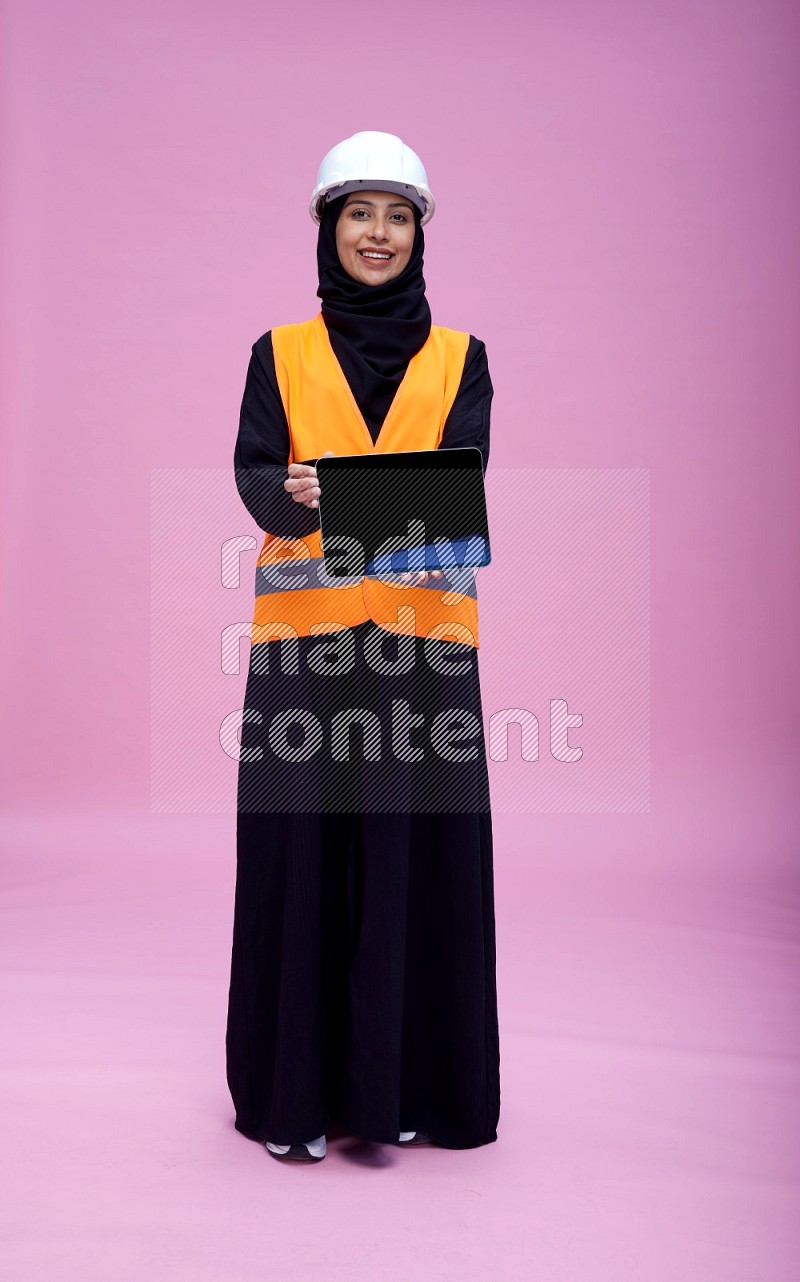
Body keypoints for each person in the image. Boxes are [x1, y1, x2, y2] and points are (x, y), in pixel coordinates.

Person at [225, 131, 500, 1163]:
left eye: (396, 215)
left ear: (418, 232)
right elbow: (259, 477)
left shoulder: (460, 357)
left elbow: (456, 492)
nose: (376, 234)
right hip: (307, 650)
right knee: (301, 863)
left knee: (415, 863)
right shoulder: (276, 353)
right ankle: (293, 1096)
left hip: (424, 655)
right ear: (326, 227)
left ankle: (414, 1087)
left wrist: (331, 491)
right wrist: (322, 500)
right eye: (358, 213)